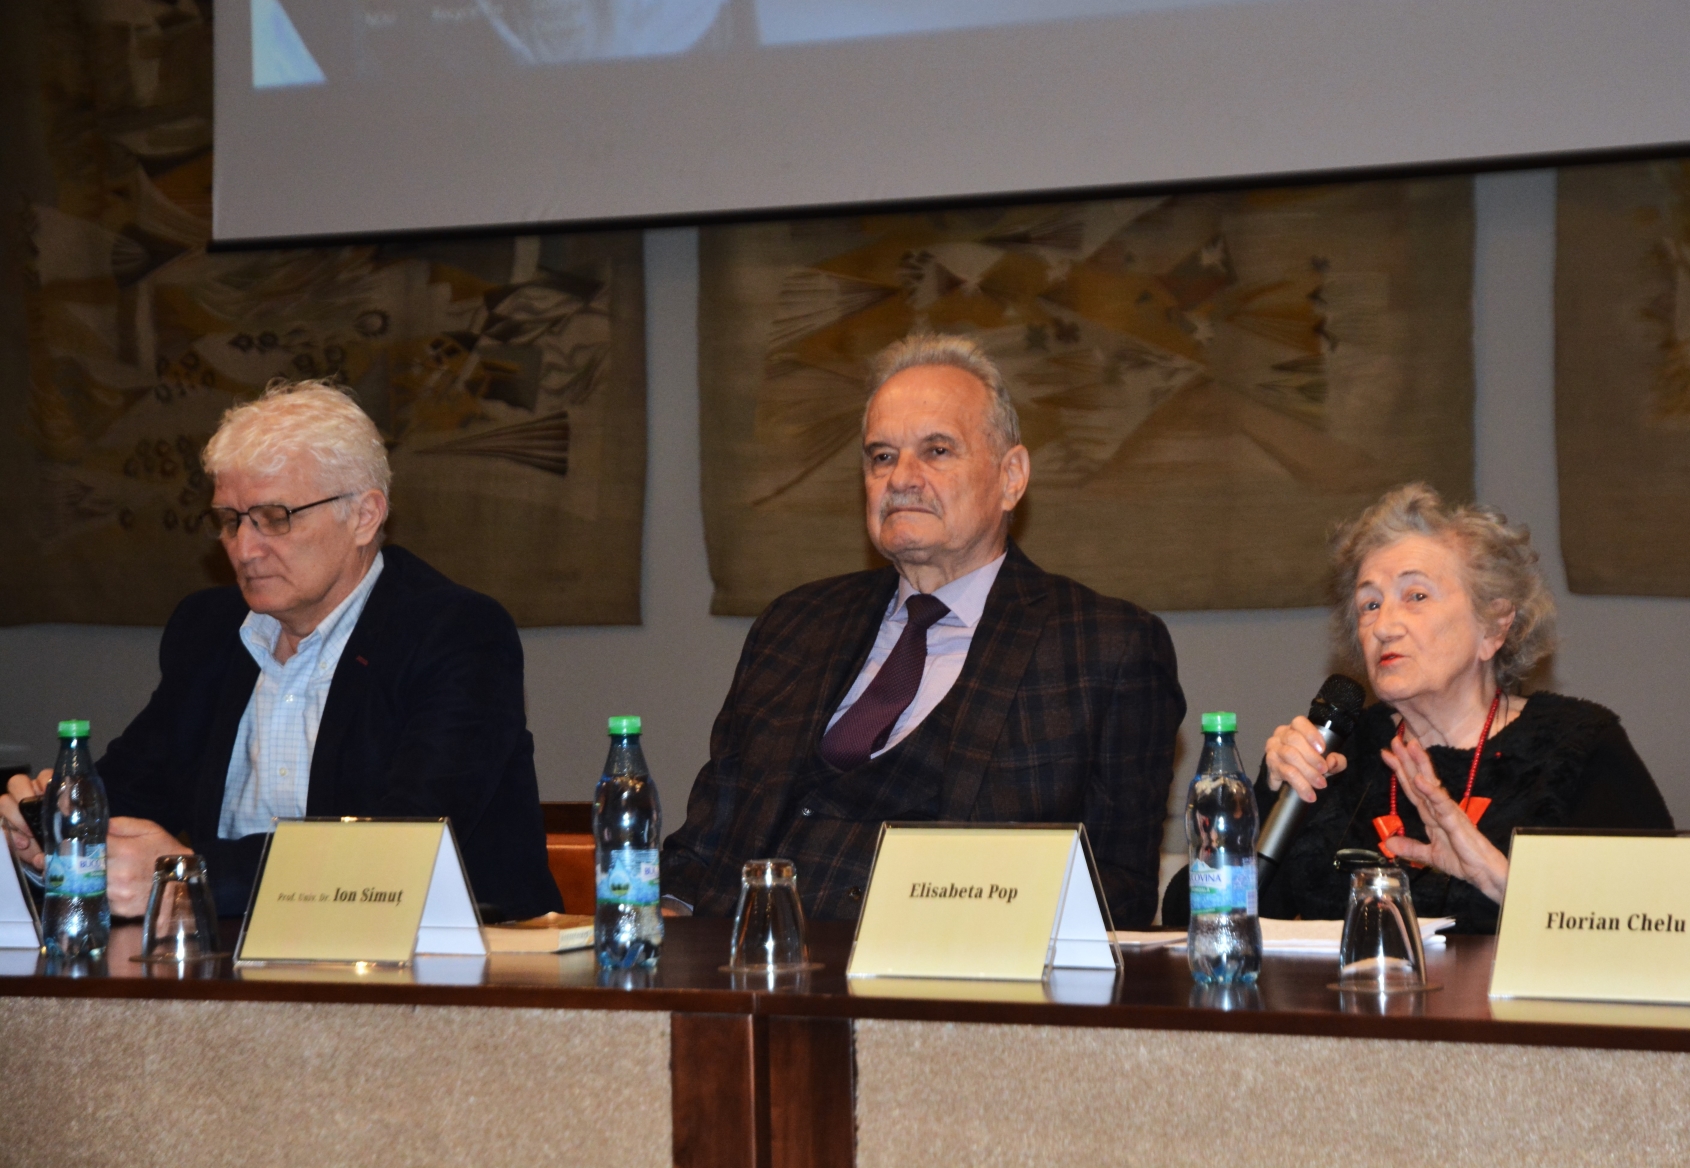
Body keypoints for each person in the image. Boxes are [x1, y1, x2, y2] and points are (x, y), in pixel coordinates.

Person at [663, 333, 1186, 927]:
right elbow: (699, 850)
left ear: (1011, 477)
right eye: (882, 457)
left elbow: (1117, 894)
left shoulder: (1105, 649)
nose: (900, 479)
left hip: (938, 970)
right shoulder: (793, 625)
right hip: (741, 960)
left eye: (936, 451)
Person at [0, 381, 562, 921]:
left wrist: (187, 875)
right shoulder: (208, 631)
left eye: (275, 518)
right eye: (230, 521)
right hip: (232, 957)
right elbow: (135, 789)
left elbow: (398, 847)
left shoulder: (457, 634)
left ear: (364, 516)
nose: (245, 549)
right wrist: (54, 828)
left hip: (454, 960)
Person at [1164, 483, 1673, 933]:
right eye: (1370, 604)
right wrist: (1267, 798)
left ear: (1494, 626)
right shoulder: (1336, 759)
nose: (1384, 625)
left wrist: (1498, 879)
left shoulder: (1575, 746)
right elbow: (1188, 918)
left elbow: (1660, 925)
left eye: (1416, 596)